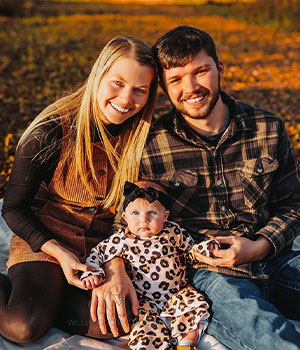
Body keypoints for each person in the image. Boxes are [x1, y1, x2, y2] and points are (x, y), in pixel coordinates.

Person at [112, 26, 300, 349]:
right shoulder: (150, 147)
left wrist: (259, 246)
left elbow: (292, 204)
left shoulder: (267, 129)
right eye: (176, 80)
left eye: (201, 71)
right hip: (210, 275)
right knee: (269, 336)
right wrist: (116, 269)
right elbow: (125, 220)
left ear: (220, 68)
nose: (191, 87)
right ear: (164, 87)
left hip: (276, 257)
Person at [0, 36, 158, 343]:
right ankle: (39, 295)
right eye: (117, 82)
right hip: (46, 241)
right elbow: (13, 207)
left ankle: (50, 300)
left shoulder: (143, 139)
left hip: (99, 249)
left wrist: (116, 268)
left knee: (118, 325)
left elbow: (131, 216)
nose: (126, 99)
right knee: (24, 327)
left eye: (139, 89)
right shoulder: (50, 132)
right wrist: (59, 254)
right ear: (98, 75)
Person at [81, 180, 216, 350]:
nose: (143, 220)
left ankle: (186, 344)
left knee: (193, 309)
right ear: (125, 217)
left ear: (165, 216)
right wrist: (92, 274)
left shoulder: (173, 232)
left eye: (152, 212)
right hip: (144, 301)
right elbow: (97, 254)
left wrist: (205, 248)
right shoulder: (121, 240)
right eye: (135, 213)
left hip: (177, 293)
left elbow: (191, 250)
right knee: (145, 330)